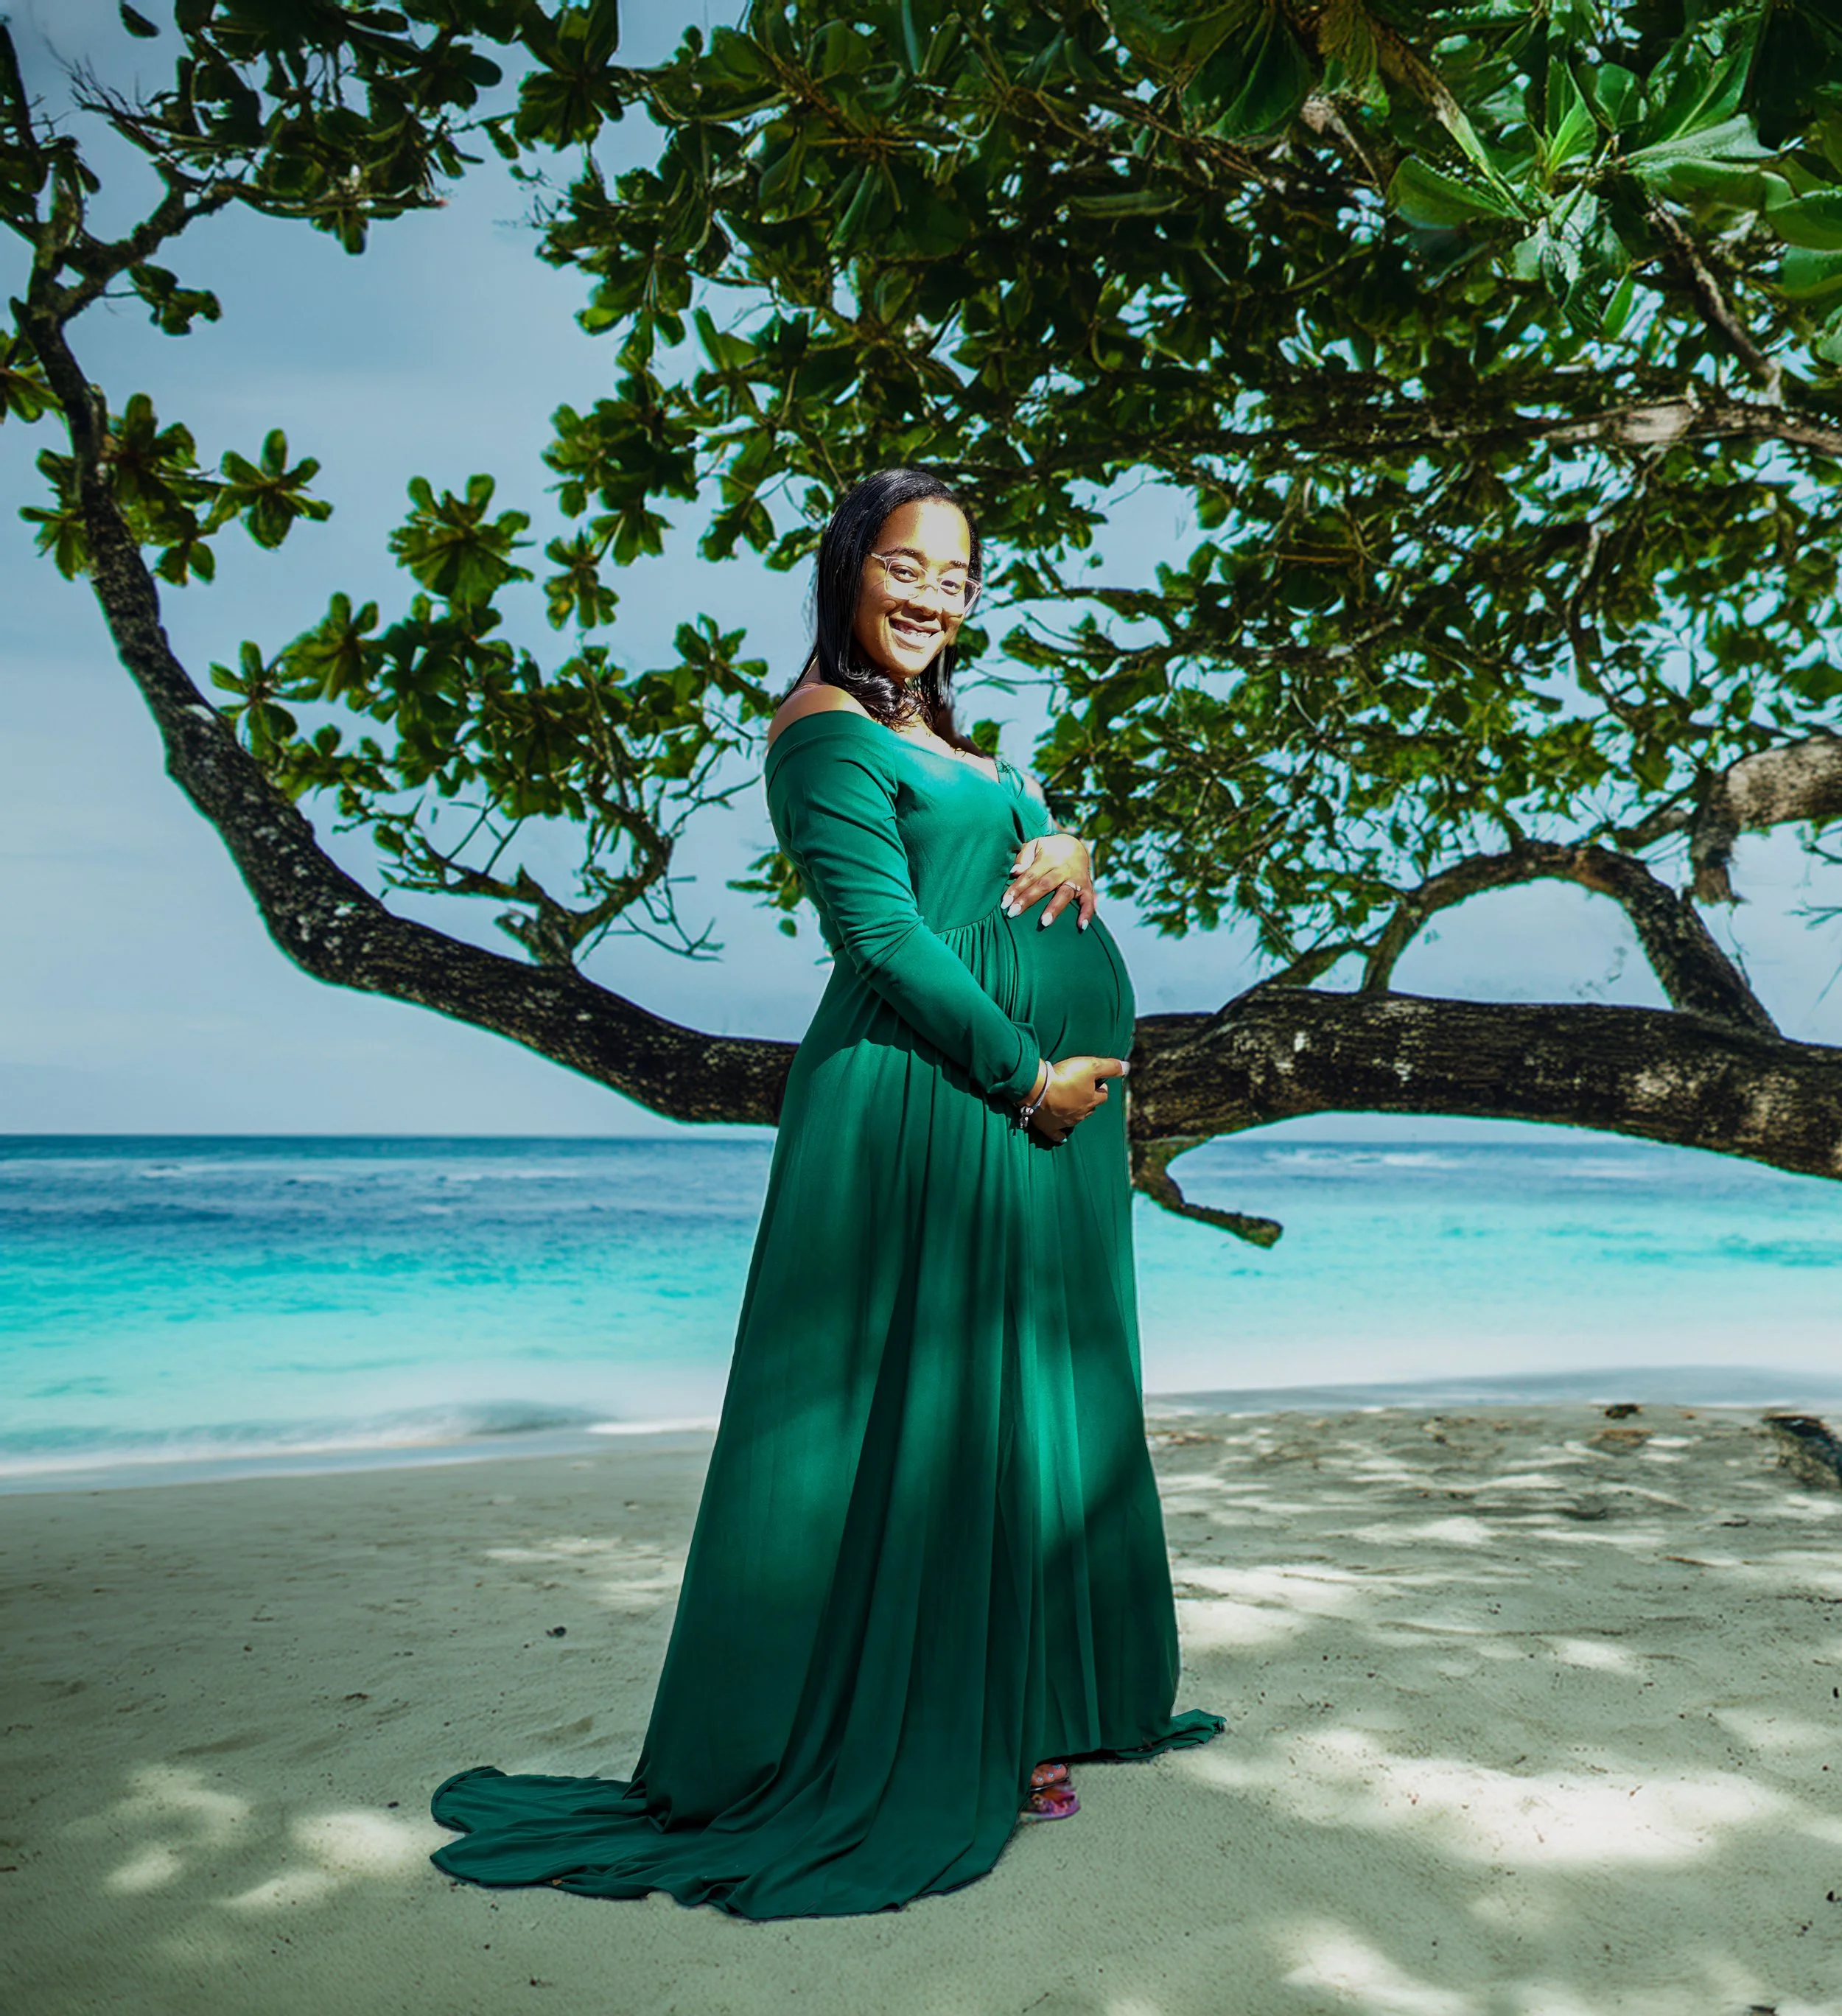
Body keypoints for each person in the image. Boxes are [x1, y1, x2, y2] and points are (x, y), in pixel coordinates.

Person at [429, 468, 1222, 1920]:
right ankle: (923, 1728)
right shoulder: (818, 732)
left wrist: (1074, 844)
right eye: (906, 566)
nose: (932, 597)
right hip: (937, 1102)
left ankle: (1030, 1699)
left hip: (1027, 1125)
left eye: (957, 578)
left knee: (1023, 1406)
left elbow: (1026, 862)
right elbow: (883, 940)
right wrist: (1021, 1075)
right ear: (850, 565)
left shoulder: (950, 740)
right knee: (922, 1420)